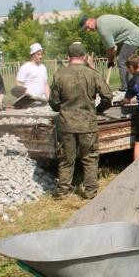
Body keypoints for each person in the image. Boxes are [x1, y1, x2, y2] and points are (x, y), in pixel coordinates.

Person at [48, 42, 113, 199]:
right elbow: (107, 96)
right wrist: (98, 109)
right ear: (84, 57)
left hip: (66, 124)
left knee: (66, 159)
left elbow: (53, 102)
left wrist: (61, 109)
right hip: (87, 123)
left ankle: (63, 192)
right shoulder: (92, 74)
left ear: (68, 57)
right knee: (90, 158)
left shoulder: (59, 75)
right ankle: (90, 192)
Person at [79, 14, 139, 92]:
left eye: (87, 26)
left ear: (91, 20)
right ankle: (134, 84)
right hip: (125, 38)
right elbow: (110, 47)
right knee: (127, 62)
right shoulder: (101, 21)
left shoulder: (103, 29)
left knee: (122, 61)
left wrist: (110, 61)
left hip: (132, 37)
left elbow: (110, 48)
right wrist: (112, 55)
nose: (88, 30)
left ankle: (125, 88)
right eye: (86, 29)